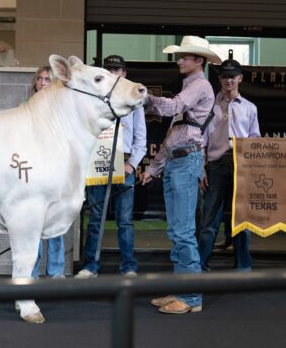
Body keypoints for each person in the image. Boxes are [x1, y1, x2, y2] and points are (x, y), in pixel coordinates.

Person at [140, 36, 221, 314]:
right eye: (181, 56)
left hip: (187, 162)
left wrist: (145, 97)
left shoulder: (199, 86)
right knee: (177, 230)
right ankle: (183, 290)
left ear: (200, 61)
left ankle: (191, 297)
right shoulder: (189, 90)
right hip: (179, 161)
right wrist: (153, 167)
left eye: (186, 56)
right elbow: (174, 135)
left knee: (184, 231)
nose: (180, 60)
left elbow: (173, 110)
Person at [75, 55, 147, 278]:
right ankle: (91, 266)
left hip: (123, 164)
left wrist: (131, 165)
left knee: (124, 221)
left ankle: (129, 266)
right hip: (99, 163)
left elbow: (141, 139)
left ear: (124, 73)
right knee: (95, 219)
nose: (114, 73)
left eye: (118, 70)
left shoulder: (135, 101)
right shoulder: (96, 100)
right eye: (110, 70)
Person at [198, 58, 260, 272]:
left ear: (240, 78)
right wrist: (201, 169)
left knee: (242, 220)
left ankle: (243, 268)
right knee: (209, 221)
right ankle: (200, 266)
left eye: (232, 76)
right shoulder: (209, 107)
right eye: (224, 76)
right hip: (216, 166)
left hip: (242, 167)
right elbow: (201, 140)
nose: (228, 80)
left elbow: (255, 138)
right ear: (219, 79)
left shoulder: (250, 108)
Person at [27, 66, 65, 279]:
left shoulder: (61, 111)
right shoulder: (24, 107)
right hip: (31, 173)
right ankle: (31, 273)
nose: (43, 83)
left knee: (56, 225)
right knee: (32, 227)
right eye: (40, 79)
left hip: (55, 172)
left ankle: (56, 273)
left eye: (48, 80)